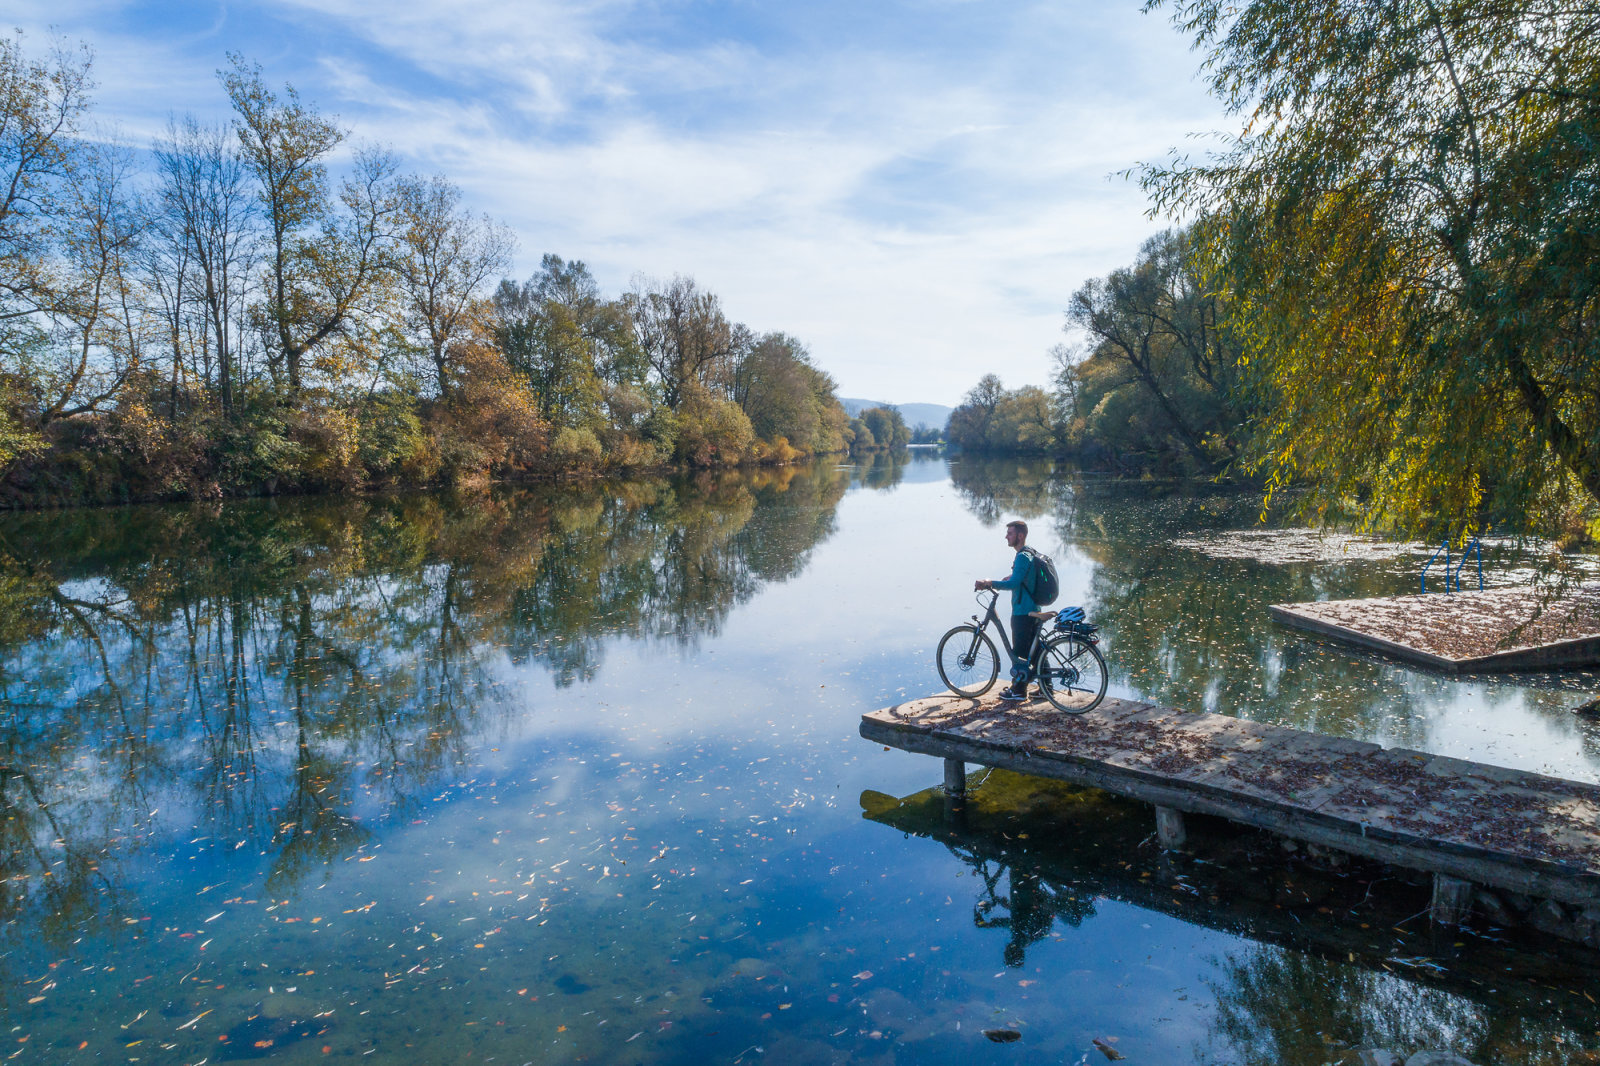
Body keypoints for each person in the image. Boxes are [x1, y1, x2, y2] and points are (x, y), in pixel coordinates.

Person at [974, 519, 1040, 701]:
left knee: (1020, 651)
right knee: (1037, 650)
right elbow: (1022, 577)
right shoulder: (1029, 553)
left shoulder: (1021, 556)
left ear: (1020, 535)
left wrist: (989, 583)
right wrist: (1012, 575)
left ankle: (1018, 691)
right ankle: (1046, 688)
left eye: (1010, 533)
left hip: (1022, 611)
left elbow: (1014, 584)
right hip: (1033, 608)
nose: (1006, 537)